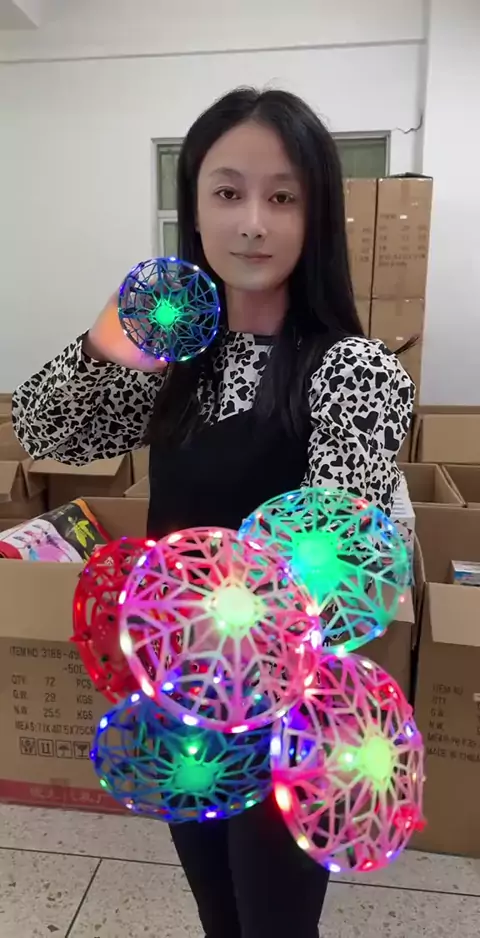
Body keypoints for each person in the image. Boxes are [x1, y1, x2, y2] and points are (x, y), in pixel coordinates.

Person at [12, 87, 414, 938]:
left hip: (290, 724)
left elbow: (338, 588)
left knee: (273, 924)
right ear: (193, 209)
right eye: (227, 193)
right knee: (217, 915)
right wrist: (120, 332)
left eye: (283, 197)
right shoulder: (179, 361)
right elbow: (44, 431)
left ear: (316, 214)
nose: (253, 224)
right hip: (180, 704)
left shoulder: (353, 370)